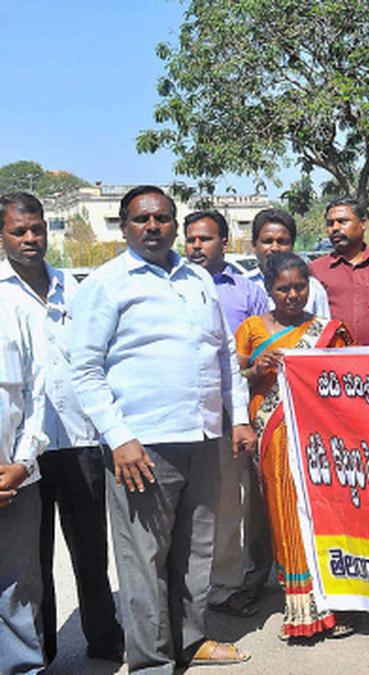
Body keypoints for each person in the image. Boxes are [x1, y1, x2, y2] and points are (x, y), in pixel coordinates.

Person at [69, 185, 254, 671]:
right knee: (143, 560)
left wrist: (238, 419)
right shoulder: (107, 284)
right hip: (142, 446)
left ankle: (190, 640)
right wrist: (119, 437)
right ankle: (153, 662)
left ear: (175, 223)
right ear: (124, 226)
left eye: (162, 218)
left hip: (203, 436)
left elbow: (224, 356)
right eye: (141, 220)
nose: (153, 227)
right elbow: (83, 368)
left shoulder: (196, 279)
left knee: (196, 551)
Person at [0, 192, 123, 665]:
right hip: (21, 452)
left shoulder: (73, 288)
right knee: (31, 561)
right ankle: (41, 650)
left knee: (91, 552)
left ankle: (104, 638)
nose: (30, 239)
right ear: (3, 234)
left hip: (77, 439)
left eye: (37, 229)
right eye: (19, 231)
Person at [234, 252, 355, 641]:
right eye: (283, 288)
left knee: (320, 511)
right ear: (269, 290)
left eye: (299, 287)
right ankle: (300, 603)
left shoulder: (328, 329)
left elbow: (345, 378)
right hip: (273, 429)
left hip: (315, 429)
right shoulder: (252, 329)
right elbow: (233, 380)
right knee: (283, 506)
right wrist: (257, 367)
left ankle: (329, 594)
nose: (292, 295)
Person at [182, 210, 275, 620]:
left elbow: (262, 348)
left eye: (205, 239)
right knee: (185, 508)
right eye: (191, 239)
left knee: (228, 506)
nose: (196, 246)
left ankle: (224, 587)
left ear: (225, 242)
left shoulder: (247, 291)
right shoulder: (173, 286)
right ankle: (183, 589)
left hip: (230, 410)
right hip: (179, 412)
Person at [0, 286, 48, 675]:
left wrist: (22, 462)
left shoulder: (16, 307)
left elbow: (37, 394)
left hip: (14, 480)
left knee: (17, 590)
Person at [310, 197, 369, 346]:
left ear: (362, 224)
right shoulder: (314, 271)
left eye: (342, 221)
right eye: (330, 223)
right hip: (331, 361)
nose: (335, 228)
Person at [245, 208, 331, 317]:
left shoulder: (312, 288)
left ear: (292, 245)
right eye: (268, 241)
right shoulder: (242, 287)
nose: (275, 248)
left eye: (282, 242)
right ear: (254, 244)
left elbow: (324, 330)